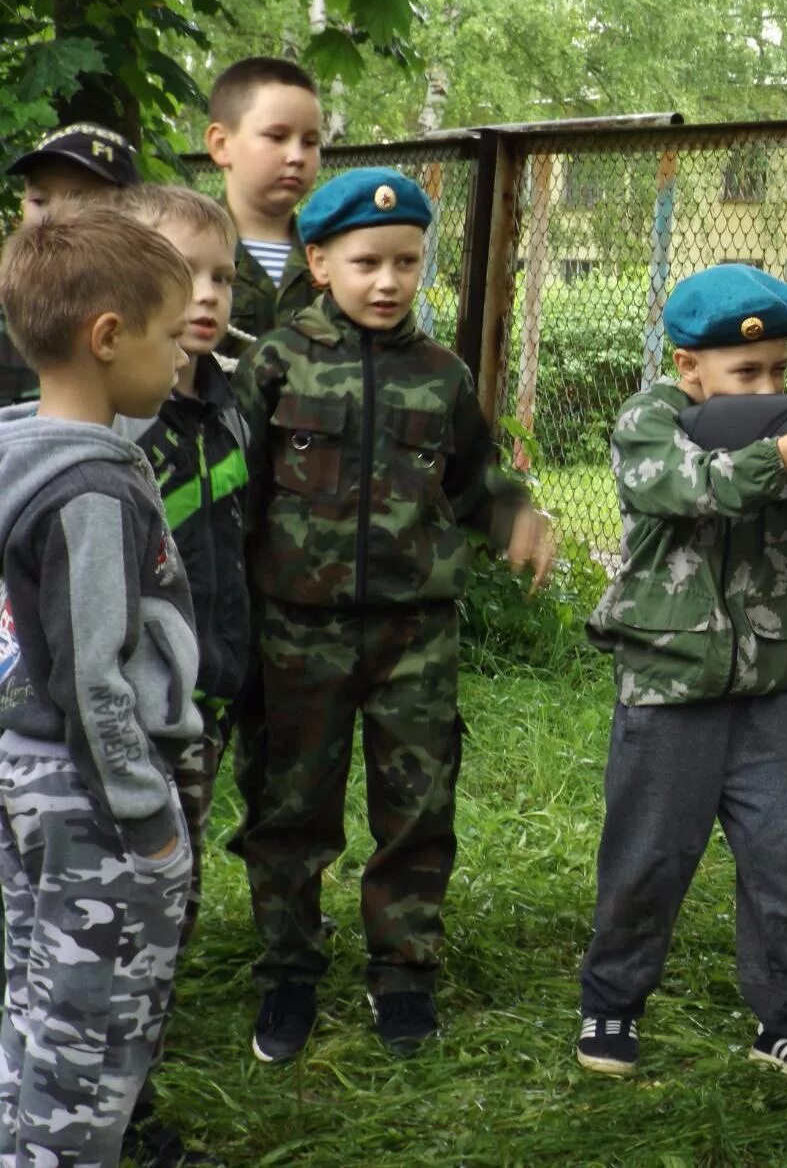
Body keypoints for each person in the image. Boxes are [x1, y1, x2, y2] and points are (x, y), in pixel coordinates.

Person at [234, 167, 554, 1062]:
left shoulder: (441, 374)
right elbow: (241, 499)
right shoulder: (274, 363)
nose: (387, 280)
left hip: (417, 634)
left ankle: (404, 974)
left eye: (406, 262)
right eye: (367, 261)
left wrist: (516, 515)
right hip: (298, 631)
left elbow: (475, 477)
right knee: (290, 807)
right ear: (320, 261)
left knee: (418, 805)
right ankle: (289, 972)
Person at [576, 264, 787, 1086]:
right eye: (747, 373)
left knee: (785, 865)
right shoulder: (649, 421)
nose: (769, 384)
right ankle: (612, 1003)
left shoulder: (782, 427)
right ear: (689, 369)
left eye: (779, 369)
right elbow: (688, 489)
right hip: (669, 691)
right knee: (647, 860)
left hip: (768, 695)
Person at [0, 207, 199, 1165]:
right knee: (95, 1039)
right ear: (108, 338)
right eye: (172, 336)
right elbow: (95, 676)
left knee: (34, 997)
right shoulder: (91, 490)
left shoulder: (16, 456)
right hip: (92, 800)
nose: (183, 361)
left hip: (19, 773)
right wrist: (146, 818)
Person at [110, 186, 245, 1166]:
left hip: (208, 706)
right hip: (128, 721)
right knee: (120, 912)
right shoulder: (114, 427)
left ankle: (127, 1087)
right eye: (180, 272)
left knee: (173, 904)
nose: (205, 295)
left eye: (224, 276)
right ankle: (109, 1113)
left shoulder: (230, 411)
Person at [1, 124, 143, 405]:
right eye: (40, 201)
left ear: (131, 216)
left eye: (80, 204)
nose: (52, 219)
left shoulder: (155, 320)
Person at [203, 56, 322, 358]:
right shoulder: (184, 251)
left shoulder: (334, 256)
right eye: (277, 137)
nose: (296, 156)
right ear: (221, 144)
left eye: (310, 141)